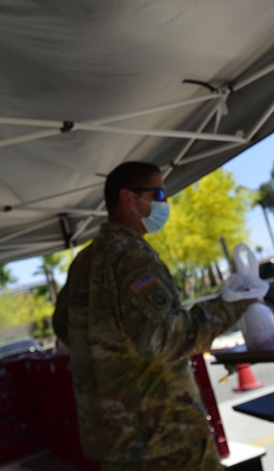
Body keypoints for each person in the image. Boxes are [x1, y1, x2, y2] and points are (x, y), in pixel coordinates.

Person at [52, 161, 255, 471]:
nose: (164, 203)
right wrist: (231, 305)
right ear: (128, 198)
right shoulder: (133, 257)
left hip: (112, 441)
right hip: (164, 436)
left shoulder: (84, 262)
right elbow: (164, 340)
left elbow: (65, 327)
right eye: (157, 193)